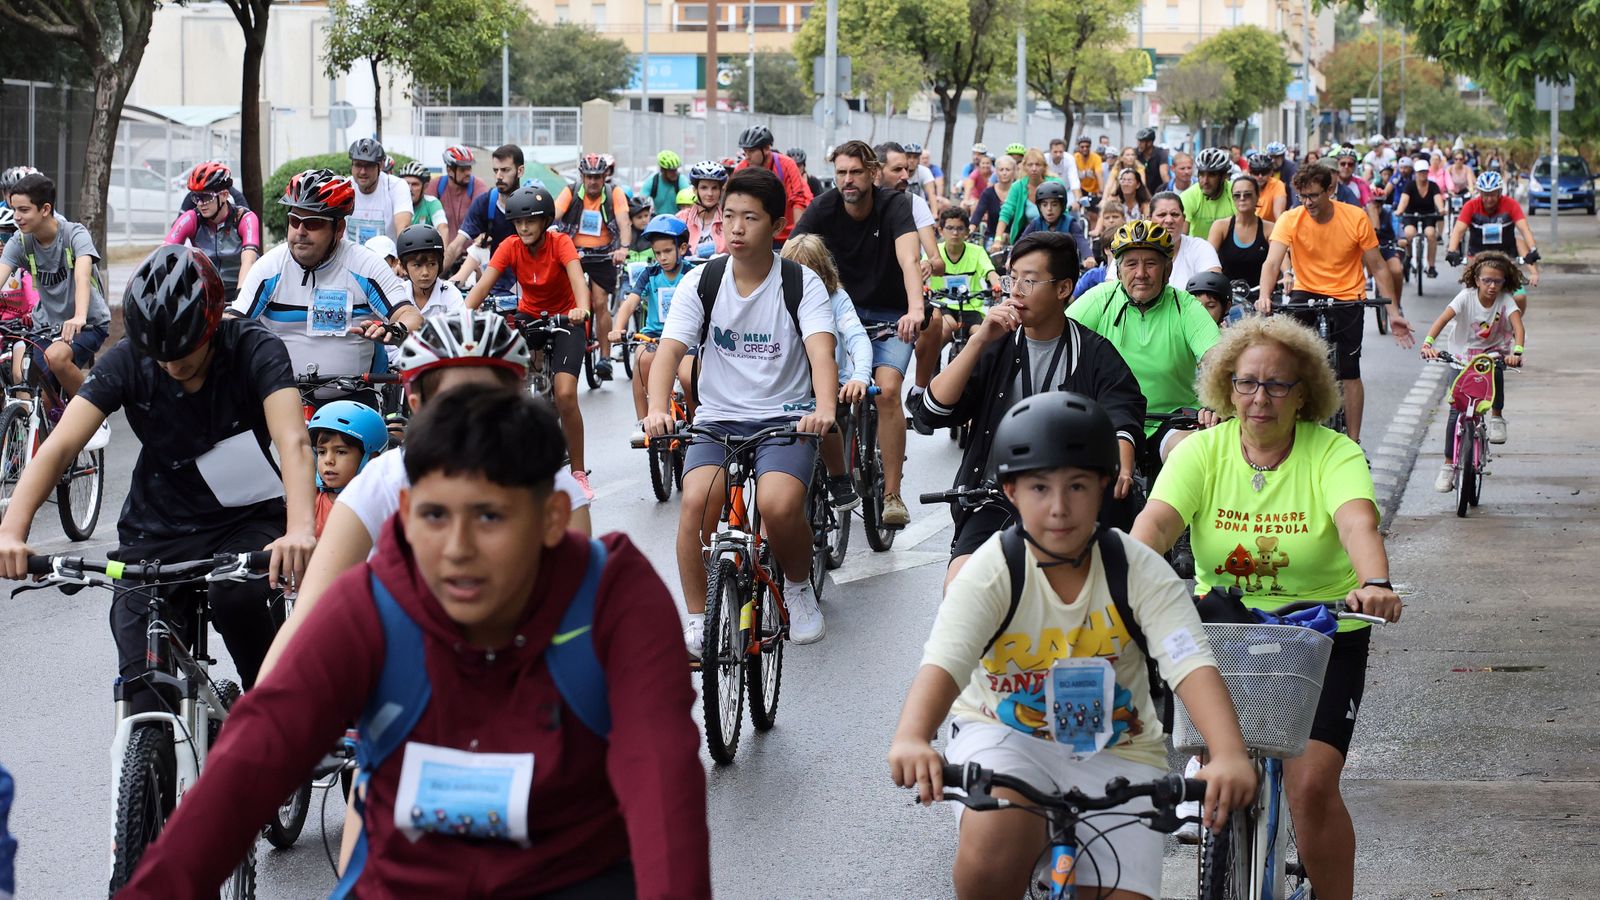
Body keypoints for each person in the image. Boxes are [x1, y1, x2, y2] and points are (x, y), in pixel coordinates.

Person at [116, 387, 710, 899]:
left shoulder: (617, 599)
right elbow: (256, 756)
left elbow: (662, 793)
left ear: (553, 518)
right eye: (433, 517)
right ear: (402, 514)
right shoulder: (374, 600)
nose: (456, 550)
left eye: (489, 517)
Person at [890, 391, 1256, 900]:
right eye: (1040, 487)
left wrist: (1229, 753)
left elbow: (1190, 664)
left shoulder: (1137, 570)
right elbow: (944, 665)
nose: (1059, 508)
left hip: (1119, 748)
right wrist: (913, 737)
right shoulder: (992, 572)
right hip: (1006, 737)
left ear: (1105, 486)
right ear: (1011, 491)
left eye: (1077, 486)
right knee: (990, 853)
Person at [1131, 314, 1405, 900]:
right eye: (1247, 382)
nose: (1260, 398)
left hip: (1322, 631)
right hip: (1223, 631)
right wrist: (1119, 575)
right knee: (1219, 776)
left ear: (1304, 392)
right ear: (1226, 387)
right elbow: (1153, 526)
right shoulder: (1201, 453)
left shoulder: (1333, 453)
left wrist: (1374, 579)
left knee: (1310, 788)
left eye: (1278, 384)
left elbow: (1356, 521)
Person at [0, 245, 317, 713]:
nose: (170, 366)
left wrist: (301, 530)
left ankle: (273, 716)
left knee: (237, 598)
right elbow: (62, 445)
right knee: (143, 681)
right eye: (158, 354)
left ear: (211, 327)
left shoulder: (256, 348)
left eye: (184, 354)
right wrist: (12, 531)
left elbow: (294, 441)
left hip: (244, 521)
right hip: (156, 525)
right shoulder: (129, 360)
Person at [258, 310, 595, 686]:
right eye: (452, 403)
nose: (473, 419)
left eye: (490, 401)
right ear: (417, 406)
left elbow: (575, 629)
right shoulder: (380, 482)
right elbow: (305, 618)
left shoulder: (557, 490)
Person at [643, 167, 839, 651]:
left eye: (749, 218)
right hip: (717, 420)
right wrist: (655, 410)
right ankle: (697, 616)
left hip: (786, 418)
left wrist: (826, 408)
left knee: (777, 504)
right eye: (728, 216)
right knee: (695, 505)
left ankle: (797, 587)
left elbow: (821, 352)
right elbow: (668, 351)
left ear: (776, 225)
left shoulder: (801, 284)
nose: (735, 228)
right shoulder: (701, 281)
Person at [914, 231, 1146, 583]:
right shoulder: (994, 345)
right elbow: (932, 412)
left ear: (1064, 288)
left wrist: (1123, 467)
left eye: (1030, 281)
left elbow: (1121, 415)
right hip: (994, 497)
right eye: (1012, 278)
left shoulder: (1095, 353)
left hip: (1073, 504)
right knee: (960, 589)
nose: (1016, 290)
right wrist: (977, 341)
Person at [792, 141, 925, 528]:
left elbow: (909, 258)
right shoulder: (823, 207)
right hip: (835, 308)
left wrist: (915, 309)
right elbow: (789, 257)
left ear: (873, 173)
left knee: (885, 390)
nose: (847, 181)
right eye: (841, 173)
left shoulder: (895, 206)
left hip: (891, 315)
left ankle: (892, 493)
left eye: (855, 172)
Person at [232, 169, 421, 403]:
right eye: (294, 221)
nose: (300, 232)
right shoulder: (269, 267)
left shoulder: (366, 265)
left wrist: (396, 330)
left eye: (312, 223)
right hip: (283, 400)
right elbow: (233, 322)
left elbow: (410, 315)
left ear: (339, 229)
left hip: (353, 401)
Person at [1256, 164, 1409, 444]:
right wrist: (1265, 294)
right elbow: (1272, 262)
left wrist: (1393, 311)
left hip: (1348, 296)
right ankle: (1295, 432)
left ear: (1330, 190)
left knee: (1349, 369)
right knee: (1293, 364)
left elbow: (1378, 266)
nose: (1307, 203)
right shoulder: (1291, 218)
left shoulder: (1355, 217)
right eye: (1302, 196)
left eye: (1313, 195)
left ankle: (1353, 441)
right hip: (1306, 292)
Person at [465, 186, 594, 492]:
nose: (523, 227)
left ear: (546, 220)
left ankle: (578, 473)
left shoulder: (560, 242)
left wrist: (582, 309)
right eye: (518, 221)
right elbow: (482, 287)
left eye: (531, 220)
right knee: (503, 380)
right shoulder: (510, 245)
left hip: (566, 319)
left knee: (564, 394)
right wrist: (461, 315)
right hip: (529, 316)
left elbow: (578, 279)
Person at [1069, 220, 1221, 464]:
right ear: (1118, 271)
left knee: (1188, 455)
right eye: (1131, 264)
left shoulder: (1186, 306)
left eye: (1151, 264)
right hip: (1110, 419)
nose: (1141, 273)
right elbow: (1059, 341)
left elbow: (1218, 359)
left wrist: (1217, 403)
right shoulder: (1101, 299)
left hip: (1173, 419)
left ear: (1167, 270)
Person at [780, 234, 874, 511]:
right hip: (788, 382)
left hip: (831, 382)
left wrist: (860, 376)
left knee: (825, 419)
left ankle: (839, 479)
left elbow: (857, 338)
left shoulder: (836, 299)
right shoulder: (773, 297)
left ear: (822, 271)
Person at [0, 172, 112, 400]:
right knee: (29, 389)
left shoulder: (74, 235)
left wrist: (79, 316)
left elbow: (82, 277)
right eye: (14, 209)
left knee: (56, 357)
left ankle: (93, 414)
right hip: (45, 328)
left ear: (45, 209)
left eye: (23, 210)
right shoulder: (20, 242)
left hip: (87, 325)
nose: (16, 217)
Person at [1421, 251, 1526, 485]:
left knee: (1495, 368)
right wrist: (1428, 344)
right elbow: (1443, 319)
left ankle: (1497, 417)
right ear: (1477, 279)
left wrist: (1516, 352)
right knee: (1454, 411)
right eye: (1486, 280)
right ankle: (1448, 464)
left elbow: (1519, 327)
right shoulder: (1465, 297)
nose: (1491, 286)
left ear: (1504, 282)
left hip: (1491, 354)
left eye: (1497, 281)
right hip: (1462, 356)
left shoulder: (1506, 300)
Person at [613, 214, 697, 427]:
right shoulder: (649, 274)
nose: (662, 257)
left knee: (688, 376)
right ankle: (644, 422)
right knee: (640, 362)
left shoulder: (692, 274)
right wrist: (617, 328)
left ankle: (699, 424)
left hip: (685, 336)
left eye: (668, 251)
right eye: (657, 253)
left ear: (683, 248)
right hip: (653, 336)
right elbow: (631, 302)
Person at [555, 153, 631, 381]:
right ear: (582, 176)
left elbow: (624, 222)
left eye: (598, 176)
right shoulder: (570, 191)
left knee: (599, 302)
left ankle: (605, 358)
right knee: (569, 302)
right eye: (589, 177)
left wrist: (624, 248)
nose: (593, 181)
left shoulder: (613, 193)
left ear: (605, 175)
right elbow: (554, 214)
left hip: (604, 254)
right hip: (572, 252)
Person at [913, 207, 1003, 395]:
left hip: (972, 306)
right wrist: (922, 286)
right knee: (945, 329)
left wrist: (996, 285)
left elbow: (991, 272)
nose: (955, 233)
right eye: (950, 228)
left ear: (967, 232)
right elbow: (921, 274)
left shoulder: (977, 251)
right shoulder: (933, 252)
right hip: (944, 306)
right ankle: (930, 378)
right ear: (941, 230)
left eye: (960, 228)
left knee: (982, 336)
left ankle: (982, 386)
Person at [443, 144, 529, 304]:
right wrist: (434, 280)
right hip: (494, 292)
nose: (499, 176)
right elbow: (456, 246)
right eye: (495, 170)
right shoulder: (484, 203)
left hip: (528, 291)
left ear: (520, 171)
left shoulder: (532, 205)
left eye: (505, 170)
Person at [163, 162, 261, 302]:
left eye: (206, 197)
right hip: (207, 293)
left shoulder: (244, 218)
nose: (200, 204)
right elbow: (164, 253)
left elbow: (249, 260)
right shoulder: (191, 218)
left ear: (224, 195)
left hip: (242, 289)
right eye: (196, 197)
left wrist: (240, 298)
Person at [1446, 171, 1541, 310]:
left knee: (1520, 297)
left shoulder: (1511, 205)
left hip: (1507, 259)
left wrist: (1533, 250)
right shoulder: (1471, 206)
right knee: (1467, 299)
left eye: (1492, 194)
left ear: (1499, 192)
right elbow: (1458, 230)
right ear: (1479, 193)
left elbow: (1524, 229)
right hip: (1477, 258)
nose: (1488, 199)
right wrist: (1452, 251)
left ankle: (1511, 328)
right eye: (1485, 194)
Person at [308, 399, 387, 534]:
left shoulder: (381, 508)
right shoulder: (309, 503)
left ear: (372, 458)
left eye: (341, 452)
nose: (329, 460)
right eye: (322, 452)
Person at [734, 125, 813, 245]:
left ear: (766, 148)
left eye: (751, 151)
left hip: (786, 236)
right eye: (745, 151)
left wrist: (798, 237)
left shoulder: (786, 164)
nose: (747, 156)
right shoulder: (741, 169)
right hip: (755, 234)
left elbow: (798, 200)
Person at [1208, 174, 1274, 301]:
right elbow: (1208, 260)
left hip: (1260, 298)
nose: (1242, 199)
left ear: (1257, 196)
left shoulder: (1269, 228)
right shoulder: (1220, 226)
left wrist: (1287, 274)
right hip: (1226, 297)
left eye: (1247, 194)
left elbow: (1279, 260)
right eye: (1237, 195)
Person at [992, 148, 1063, 252]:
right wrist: (997, 240)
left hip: (1054, 237)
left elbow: (1064, 212)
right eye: (1030, 165)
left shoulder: (1055, 184)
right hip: (1026, 238)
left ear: (1044, 167)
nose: (1034, 168)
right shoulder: (1018, 187)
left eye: (1037, 164)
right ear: (1024, 167)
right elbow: (1006, 212)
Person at [345, 138, 413, 245]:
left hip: (387, 259)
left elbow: (403, 229)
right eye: (358, 165)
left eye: (369, 165)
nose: (363, 171)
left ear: (380, 166)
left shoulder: (396, 186)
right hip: (350, 258)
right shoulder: (344, 187)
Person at [1150, 191, 1222, 290]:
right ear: (1149, 219)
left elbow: (1214, 286)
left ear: (1184, 219)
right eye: (1162, 215)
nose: (1169, 220)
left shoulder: (1200, 247)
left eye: (1175, 214)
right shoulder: (1138, 251)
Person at [394, 224, 467, 321]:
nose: (425, 272)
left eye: (431, 264)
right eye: (417, 265)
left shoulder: (450, 293)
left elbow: (460, 327)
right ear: (403, 267)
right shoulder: (398, 294)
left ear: (440, 264)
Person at [1018, 180, 1093, 270]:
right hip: (1040, 269)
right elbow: (1021, 242)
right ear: (1039, 207)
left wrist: (1089, 257)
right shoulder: (1036, 223)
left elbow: (1081, 241)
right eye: (1044, 205)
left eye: (1054, 204)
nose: (1049, 209)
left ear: (1062, 206)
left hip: (1065, 269)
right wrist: (1011, 257)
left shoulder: (1070, 223)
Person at [1393, 155, 1447, 277]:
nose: (1423, 175)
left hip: (1429, 215)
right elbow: (1404, 199)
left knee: (1431, 234)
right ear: (1416, 173)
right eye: (1420, 172)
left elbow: (1437, 198)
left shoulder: (1433, 186)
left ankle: (1431, 266)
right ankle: (1408, 255)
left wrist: (1442, 209)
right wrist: (1399, 210)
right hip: (1411, 214)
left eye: (1425, 172)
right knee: (1409, 233)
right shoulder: (1410, 186)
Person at [429, 145, 487, 244]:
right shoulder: (436, 185)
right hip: (443, 252)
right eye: (463, 169)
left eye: (469, 168)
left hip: (471, 254)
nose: (468, 172)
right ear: (449, 170)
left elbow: (481, 215)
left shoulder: (478, 185)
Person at [1180, 148, 1236, 240]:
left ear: (1224, 176)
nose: (1205, 181)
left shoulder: (1235, 192)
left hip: (1228, 248)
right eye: (1201, 174)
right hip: (1199, 250)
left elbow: (1245, 228)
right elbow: (1181, 236)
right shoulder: (1189, 196)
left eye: (1212, 175)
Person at [678, 160, 728, 258]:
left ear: (721, 191)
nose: (710, 193)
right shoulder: (681, 218)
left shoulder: (730, 218)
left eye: (714, 188)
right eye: (704, 188)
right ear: (695, 190)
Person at [396, 160, 449, 239]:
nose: (409, 189)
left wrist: (444, 250)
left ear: (425, 187)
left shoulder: (432, 203)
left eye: (415, 184)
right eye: (406, 183)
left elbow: (443, 228)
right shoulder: (394, 202)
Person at [971, 155, 1015, 243]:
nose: (1004, 173)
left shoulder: (1019, 192)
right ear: (996, 172)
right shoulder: (988, 193)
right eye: (1001, 170)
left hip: (1015, 237)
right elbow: (978, 213)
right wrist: (970, 228)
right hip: (992, 236)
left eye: (1007, 169)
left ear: (1014, 171)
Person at [641, 150, 690, 215]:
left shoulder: (682, 180)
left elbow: (690, 200)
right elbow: (640, 201)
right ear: (662, 170)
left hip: (678, 219)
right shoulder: (653, 181)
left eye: (676, 170)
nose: (675, 173)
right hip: (659, 219)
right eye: (671, 171)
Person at [1134, 127, 1171, 198]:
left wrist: (1169, 192)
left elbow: (1164, 174)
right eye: (1138, 141)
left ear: (1150, 143)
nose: (1139, 144)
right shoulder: (1135, 153)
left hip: (1158, 192)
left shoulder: (1161, 153)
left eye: (1141, 142)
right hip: (1139, 193)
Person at [1045, 138, 1082, 202]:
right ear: (1050, 151)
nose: (1058, 154)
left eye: (1060, 152)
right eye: (1055, 152)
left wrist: (1077, 200)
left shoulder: (1070, 159)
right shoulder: (1044, 159)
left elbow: (1074, 180)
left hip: (1067, 190)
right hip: (1048, 190)